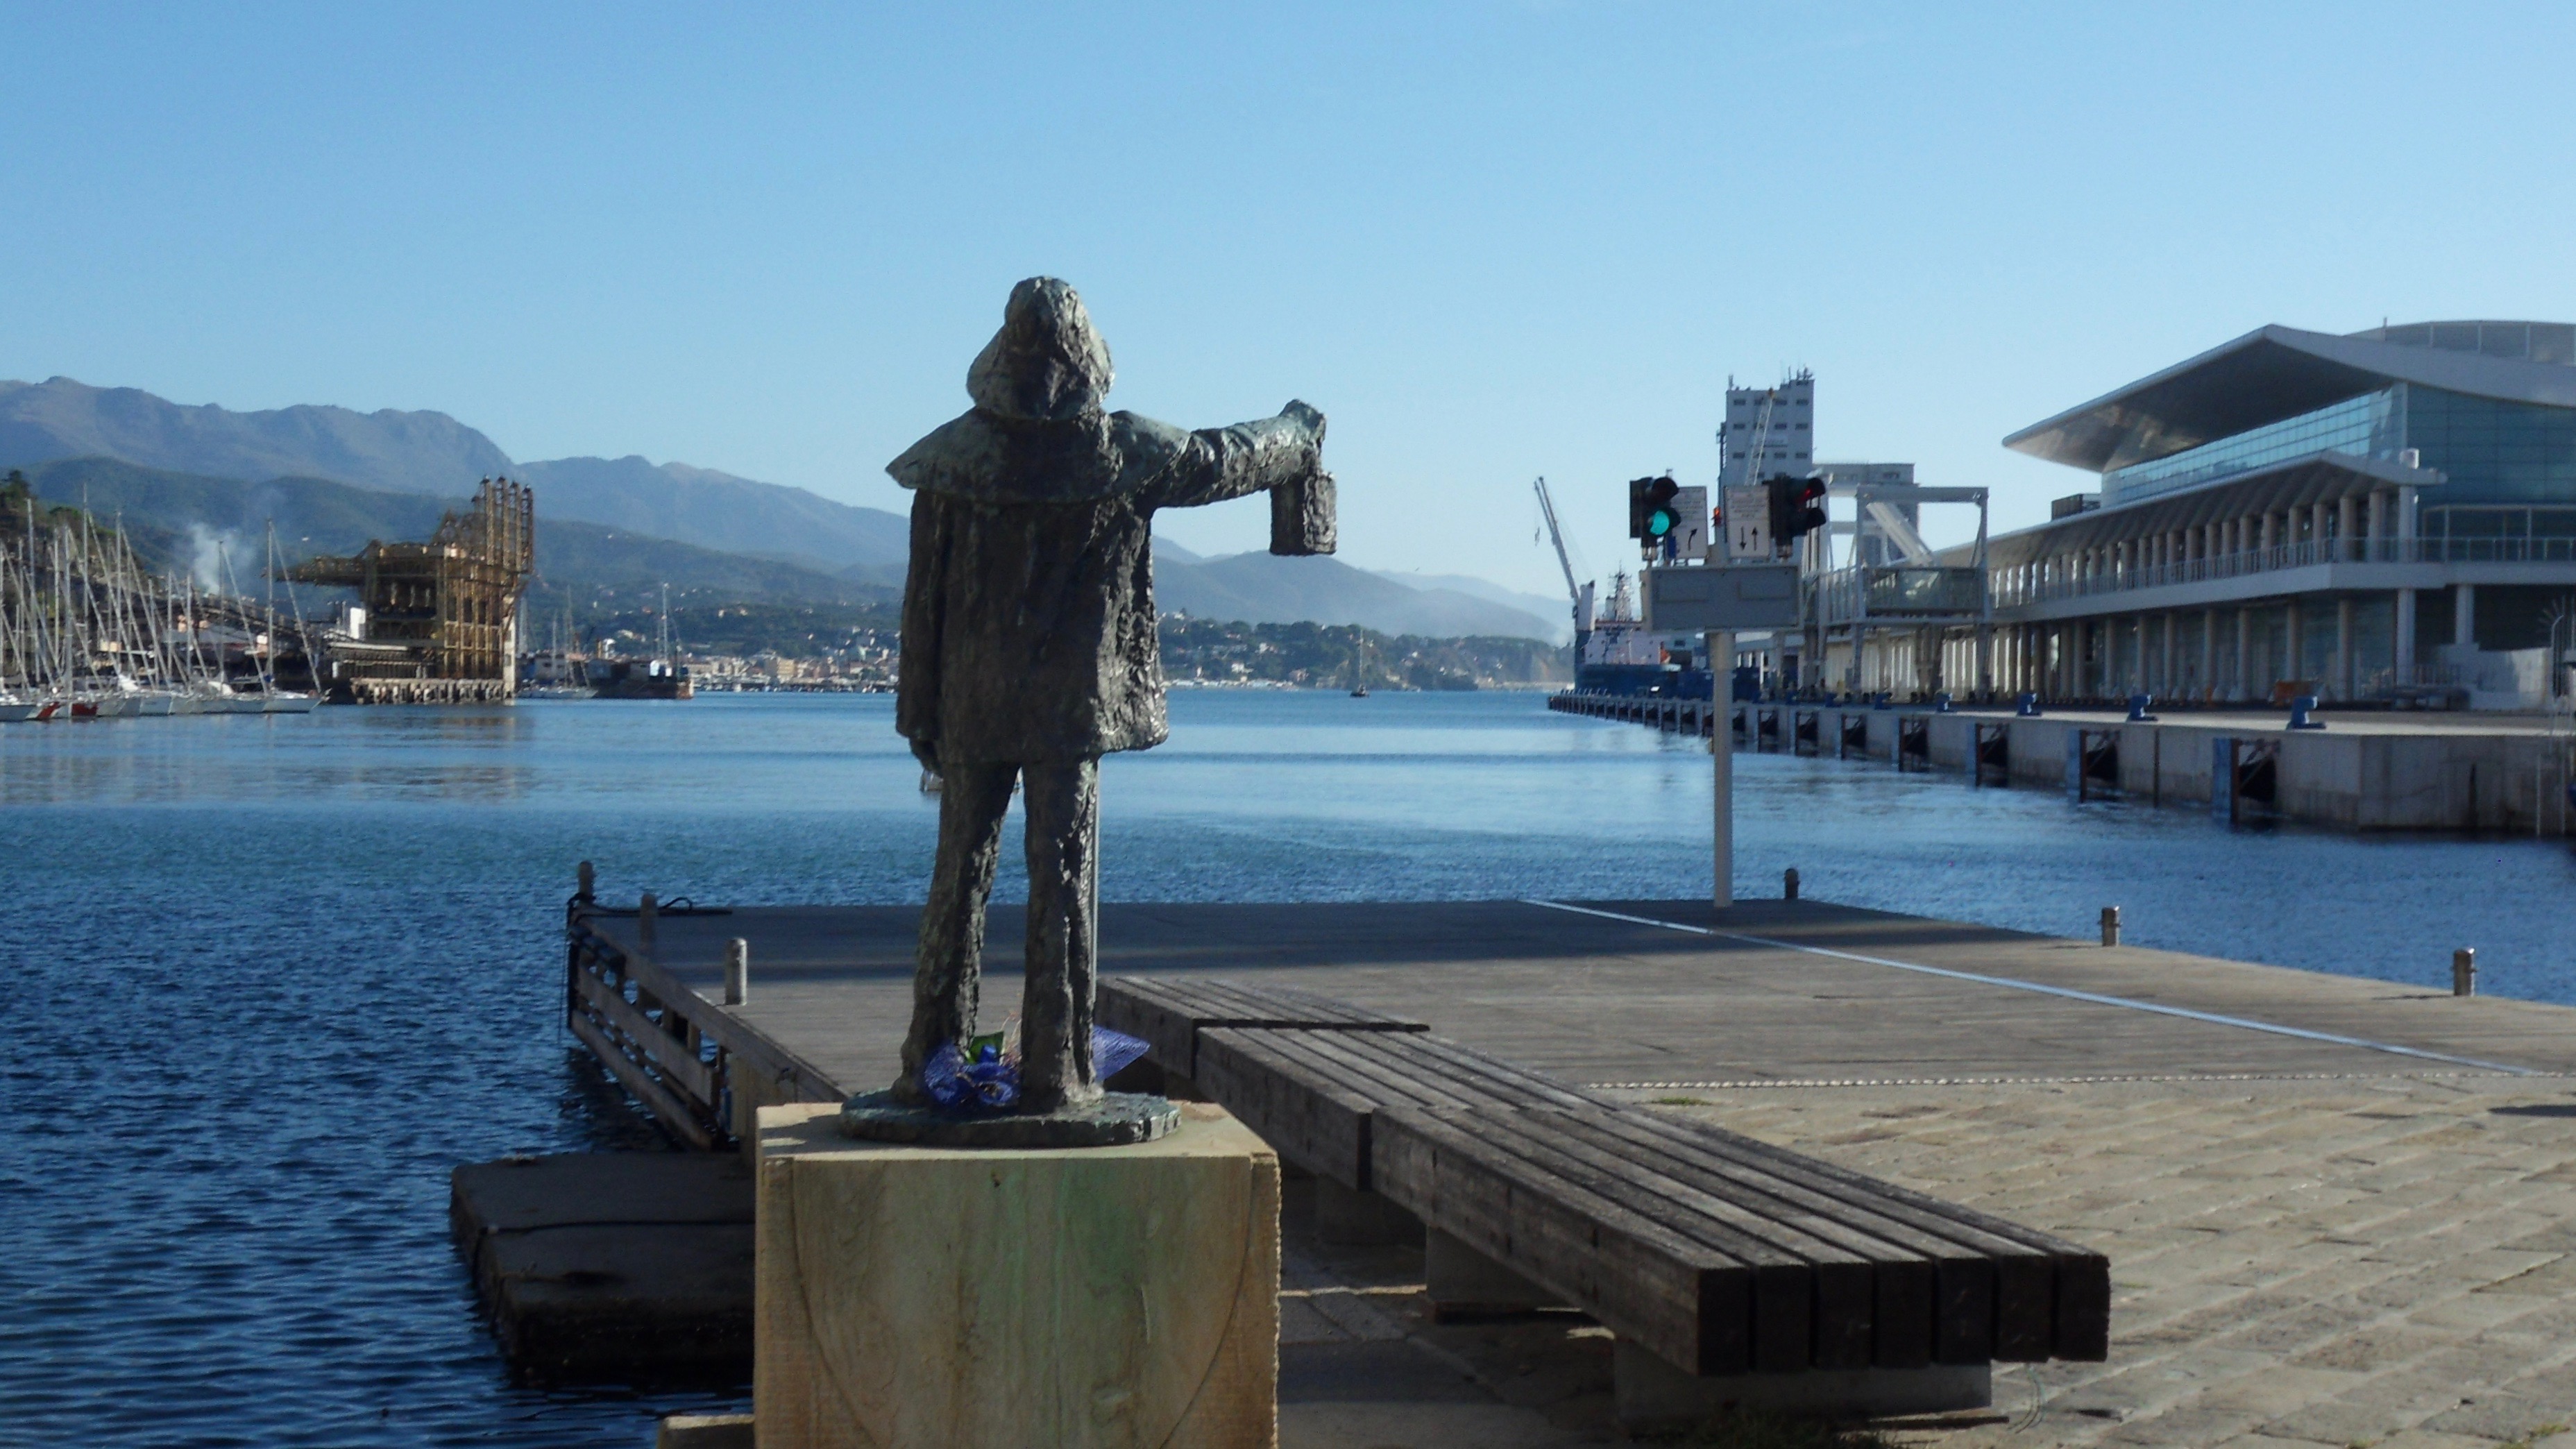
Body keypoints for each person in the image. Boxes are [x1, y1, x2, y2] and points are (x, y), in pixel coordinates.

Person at [887, 277, 1334, 1113]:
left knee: (958, 880)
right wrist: (1297, 431)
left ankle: (930, 1059)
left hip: (971, 707)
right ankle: (1058, 1069)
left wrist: (919, 714)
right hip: (1074, 706)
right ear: (1088, 353)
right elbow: (1228, 457)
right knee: (1062, 874)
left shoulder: (950, 462)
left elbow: (924, 606)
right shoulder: (1124, 453)